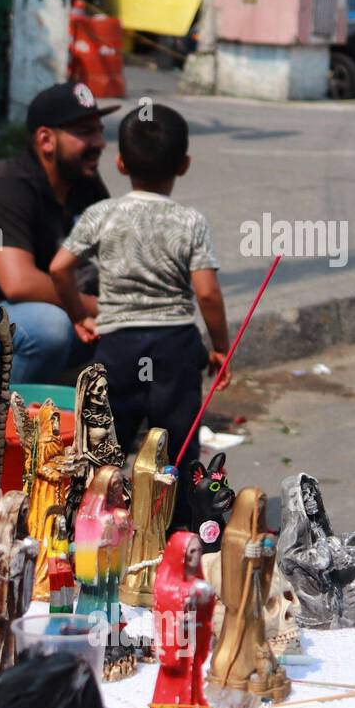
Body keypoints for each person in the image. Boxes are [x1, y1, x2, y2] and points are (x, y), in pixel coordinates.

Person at [48, 103, 229, 526]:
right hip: (176, 346)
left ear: (120, 161)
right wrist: (220, 346)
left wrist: (80, 315)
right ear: (183, 165)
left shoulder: (100, 215)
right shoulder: (190, 221)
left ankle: (93, 524)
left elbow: (59, 268)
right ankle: (178, 527)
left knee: (107, 447)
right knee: (179, 446)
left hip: (118, 346)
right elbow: (208, 293)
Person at [0, 82, 118, 384]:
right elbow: (19, 283)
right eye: (85, 133)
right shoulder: (7, 189)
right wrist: (93, 308)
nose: (99, 142)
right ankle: (10, 425)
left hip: (59, 314)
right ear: (46, 139)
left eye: (99, 130)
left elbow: (117, 253)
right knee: (49, 329)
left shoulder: (84, 182)